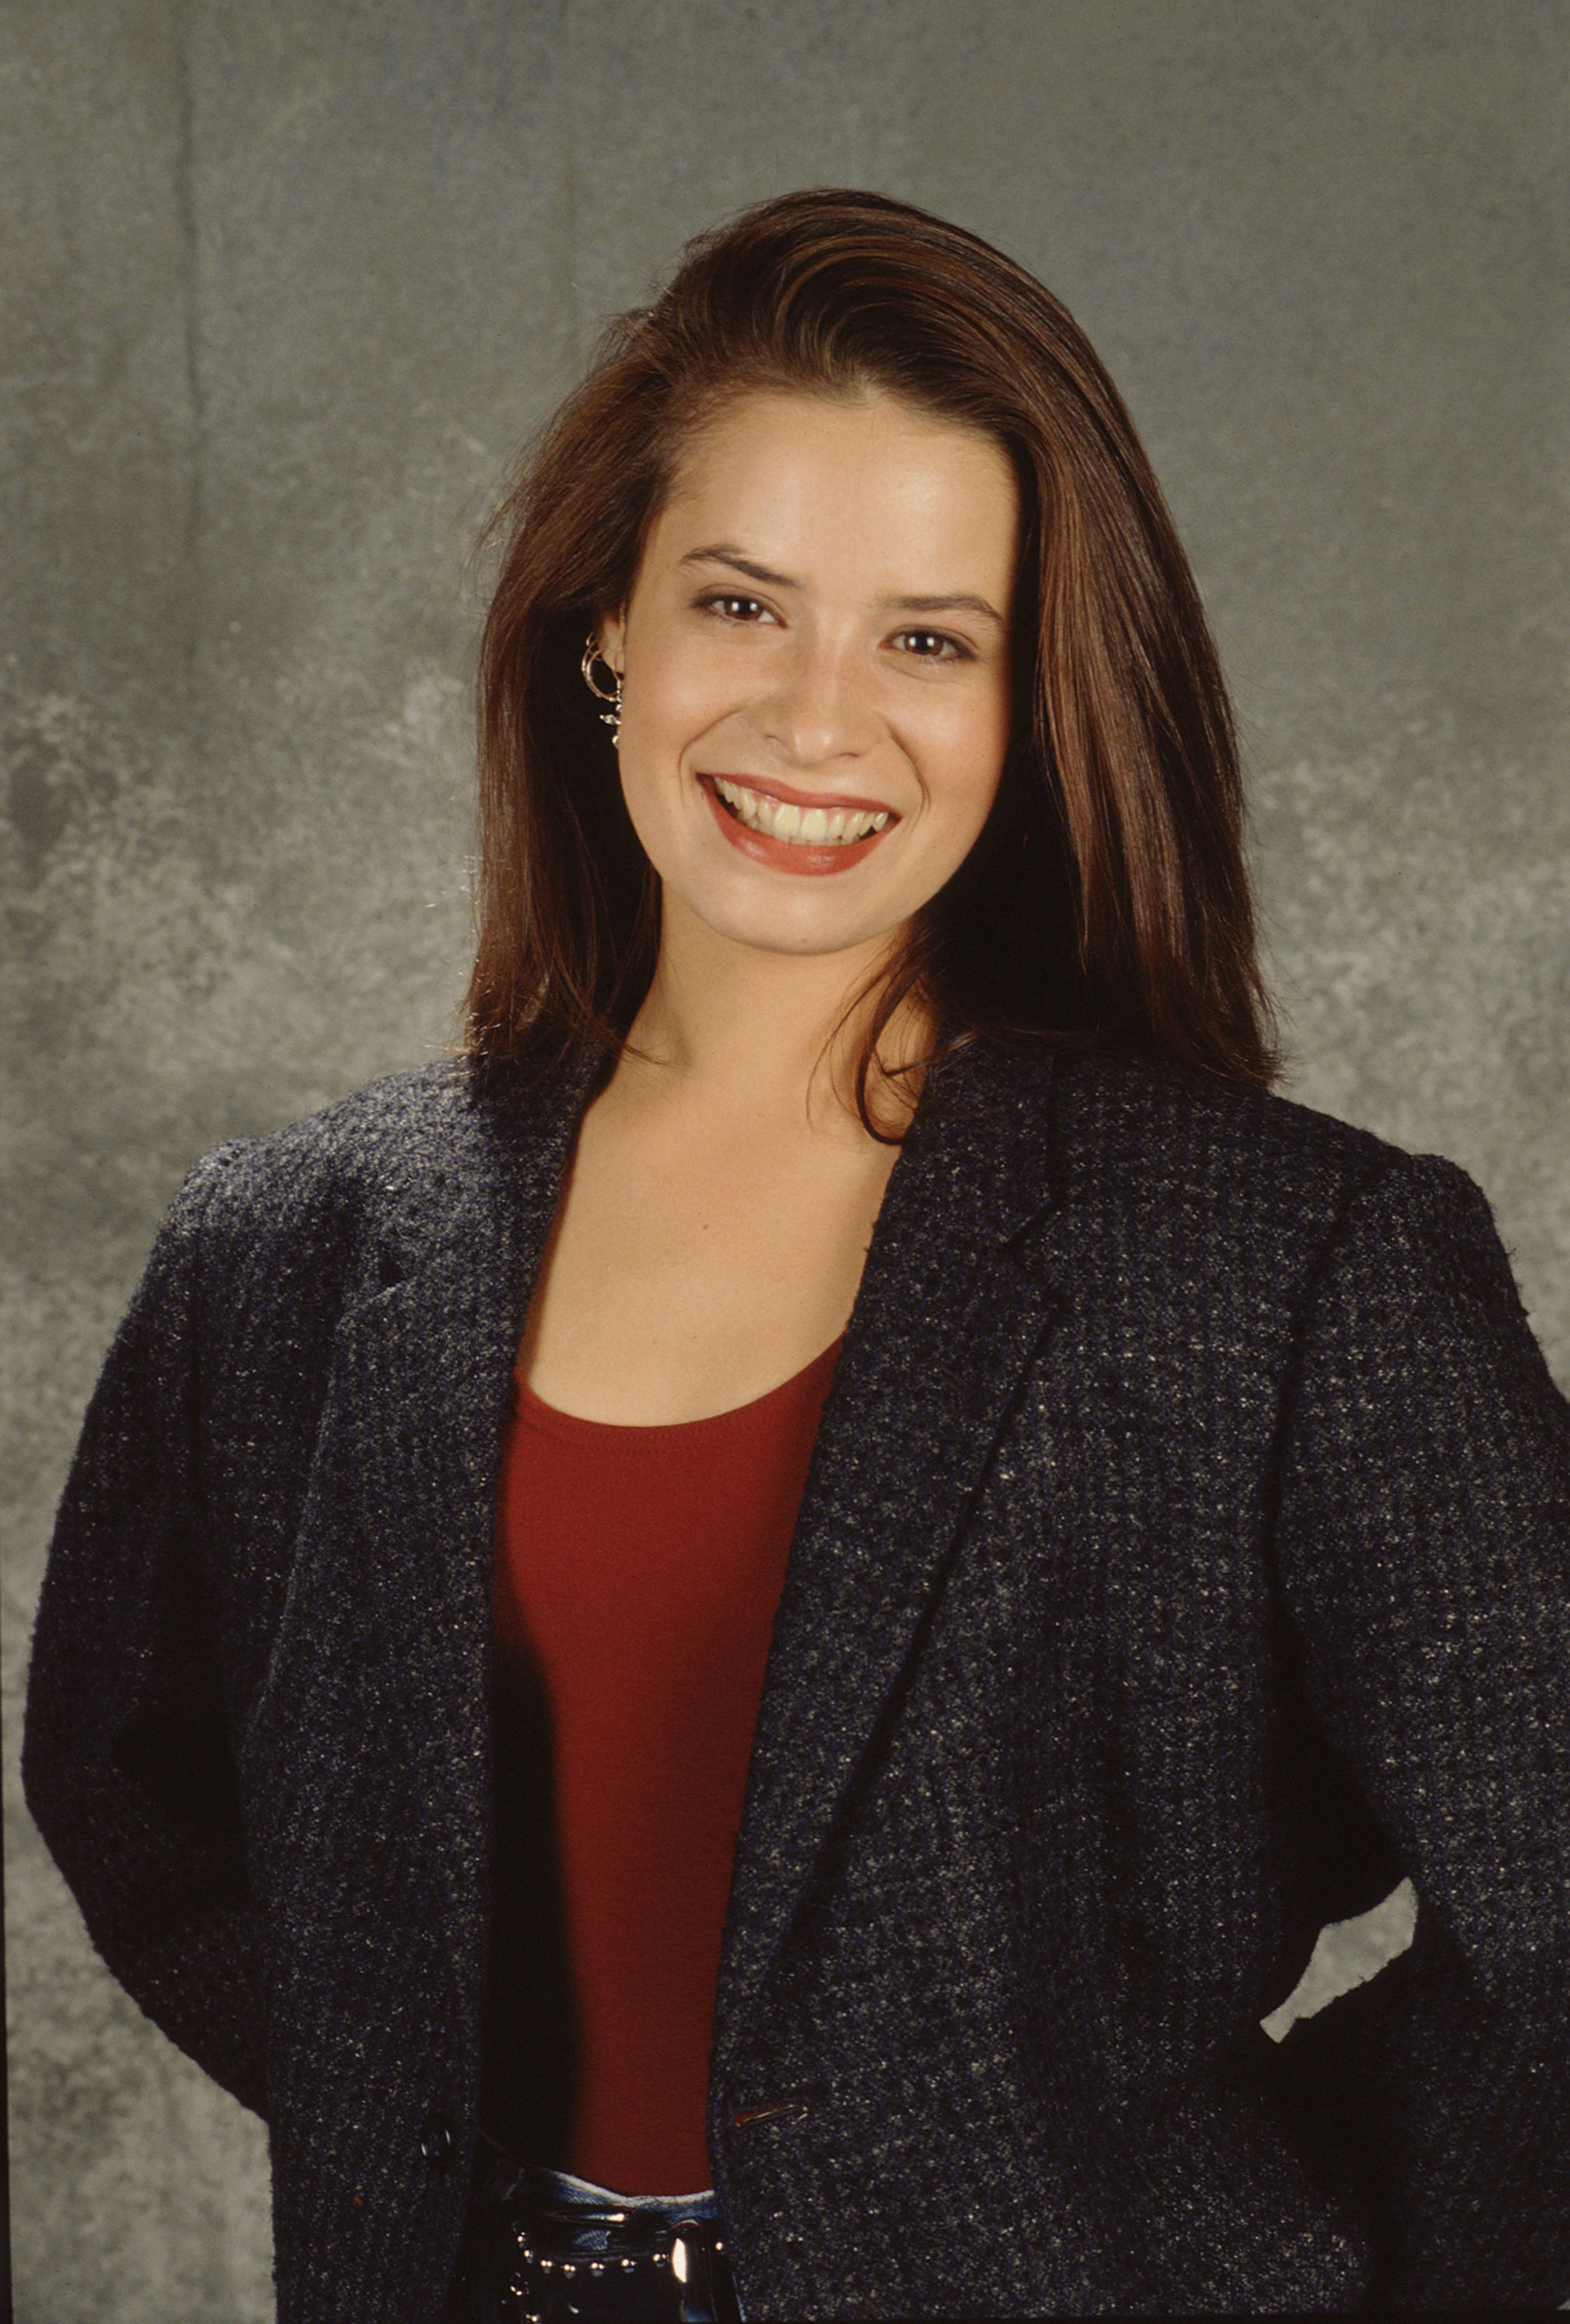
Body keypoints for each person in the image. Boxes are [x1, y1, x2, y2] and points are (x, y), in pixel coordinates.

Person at [22, 187, 1570, 2323]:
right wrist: (413, 2110)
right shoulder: (287, 1248)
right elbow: (129, 1781)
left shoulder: (1291, 1266)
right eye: (739, 605)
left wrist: (1247, 2237)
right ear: (608, 629)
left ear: (1033, 706)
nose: (816, 720)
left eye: (929, 638)